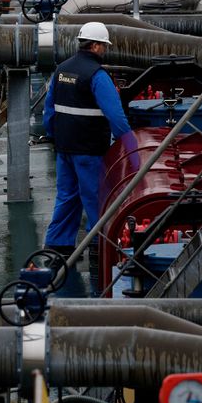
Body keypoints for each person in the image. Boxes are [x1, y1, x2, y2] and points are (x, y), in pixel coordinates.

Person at [43, 22, 134, 256]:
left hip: (64, 147)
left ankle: (58, 244)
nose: (104, 50)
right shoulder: (98, 76)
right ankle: (99, 244)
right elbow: (116, 116)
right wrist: (132, 147)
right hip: (89, 149)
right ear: (94, 46)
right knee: (95, 196)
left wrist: (55, 136)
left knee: (67, 196)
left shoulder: (61, 70)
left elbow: (49, 111)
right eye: (103, 46)